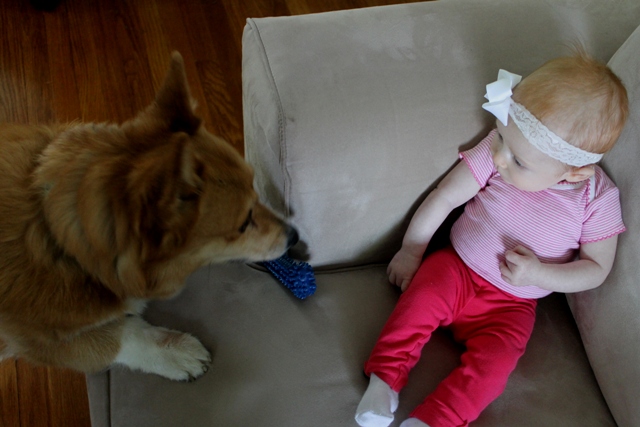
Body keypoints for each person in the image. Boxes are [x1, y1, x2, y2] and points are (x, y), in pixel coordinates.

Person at [355, 51, 629, 427]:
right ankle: (384, 380)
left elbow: (596, 269)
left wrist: (539, 275)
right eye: (501, 137)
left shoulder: (596, 199)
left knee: (495, 367)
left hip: (512, 306)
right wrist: (411, 250)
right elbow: (446, 196)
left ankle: (435, 420)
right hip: (456, 268)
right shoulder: (501, 150)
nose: (499, 157)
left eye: (518, 160)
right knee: (418, 303)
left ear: (576, 173)